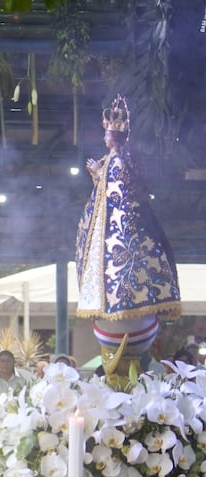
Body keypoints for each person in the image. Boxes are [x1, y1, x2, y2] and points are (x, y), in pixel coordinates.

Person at [76, 94, 180, 320]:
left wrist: (98, 173)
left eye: (106, 133)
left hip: (120, 224)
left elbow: (115, 190)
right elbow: (107, 190)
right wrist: (98, 173)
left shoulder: (117, 160)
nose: (104, 138)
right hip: (117, 219)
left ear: (114, 136)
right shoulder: (112, 159)